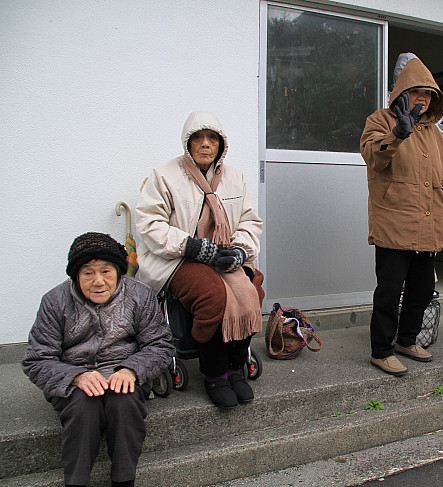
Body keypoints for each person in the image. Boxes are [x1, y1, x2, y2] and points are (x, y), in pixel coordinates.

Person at [22, 232, 174, 487]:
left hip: (123, 369)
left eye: (106, 271)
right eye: (88, 273)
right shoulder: (54, 301)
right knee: (84, 406)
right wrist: (75, 376)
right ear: (76, 276)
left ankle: (124, 481)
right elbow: (37, 358)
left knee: (122, 401)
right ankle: (77, 482)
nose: (98, 281)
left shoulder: (140, 294)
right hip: (73, 373)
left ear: (119, 271)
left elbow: (160, 343)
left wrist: (132, 370)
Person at [135, 111, 264, 409]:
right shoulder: (164, 176)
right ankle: (215, 373)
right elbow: (149, 224)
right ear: (187, 143)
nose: (205, 144)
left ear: (221, 144)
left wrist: (240, 251)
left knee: (251, 289)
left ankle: (234, 367)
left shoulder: (235, 177)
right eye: (198, 138)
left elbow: (249, 221)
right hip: (179, 258)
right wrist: (193, 247)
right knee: (213, 295)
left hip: (223, 253)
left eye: (212, 138)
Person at [361, 56, 443, 376]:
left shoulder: (436, 135)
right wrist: (398, 134)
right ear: (401, 92)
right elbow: (373, 157)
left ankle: (407, 340)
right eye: (416, 92)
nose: (423, 99)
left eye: (428, 94)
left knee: (423, 288)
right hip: (394, 221)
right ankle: (381, 350)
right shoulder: (380, 121)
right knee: (389, 289)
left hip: (427, 222)